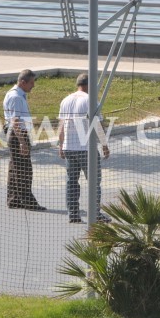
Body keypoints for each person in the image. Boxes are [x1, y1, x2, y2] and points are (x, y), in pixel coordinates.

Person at [58, 73, 111, 224]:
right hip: (86, 148)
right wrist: (105, 145)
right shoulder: (90, 100)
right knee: (94, 182)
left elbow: (61, 126)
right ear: (89, 85)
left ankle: (73, 214)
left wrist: (61, 146)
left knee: (71, 181)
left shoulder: (66, 100)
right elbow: (98, 125)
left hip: (69, 147)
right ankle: (95, 214)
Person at [3, 69, 45, 211]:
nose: (33, 85)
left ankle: (14, 199)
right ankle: (29, 202)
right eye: (31, 83)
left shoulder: (14, 94)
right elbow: (15, 122)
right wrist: (22, 141)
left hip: (15, 134)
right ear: (23, 82)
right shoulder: (16, 98)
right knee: (24, 170)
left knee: (14, 168)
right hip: (18, 135)